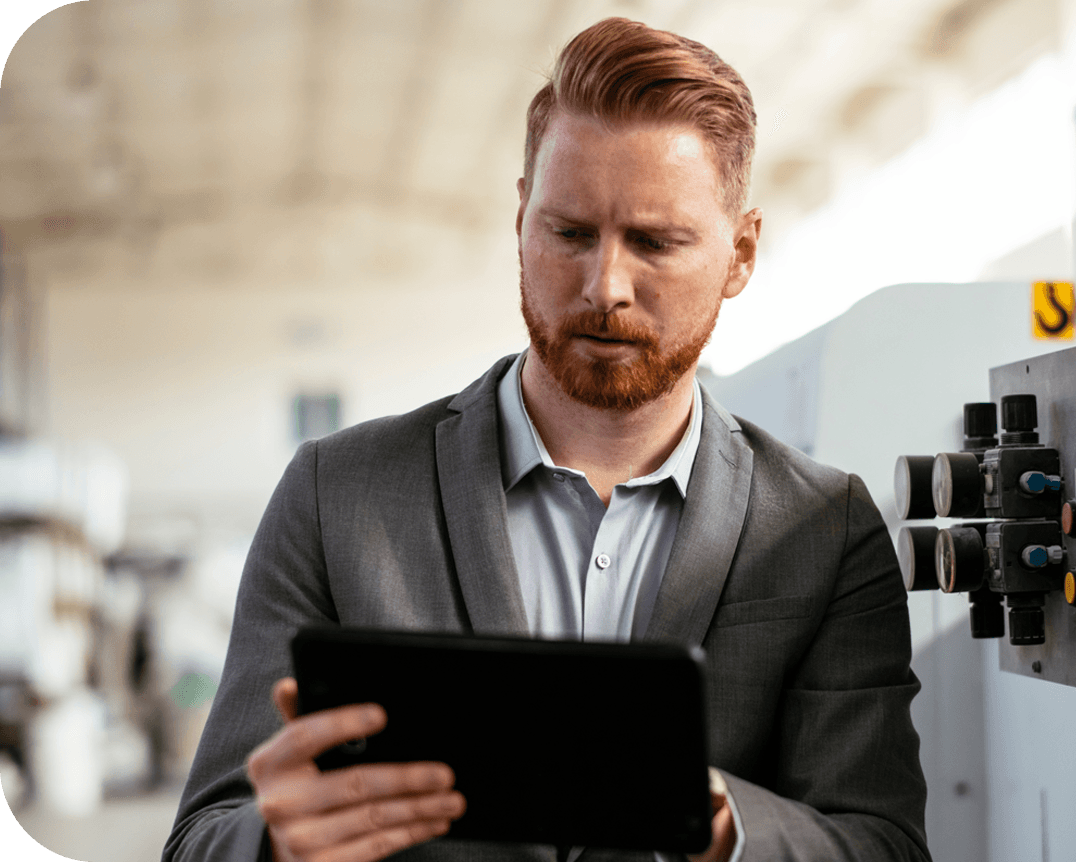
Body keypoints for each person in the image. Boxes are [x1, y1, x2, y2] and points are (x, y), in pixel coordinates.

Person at [163, 17, 928, 862]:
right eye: (569, 233)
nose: (605, 286)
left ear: (740, 252)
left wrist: (718, 821)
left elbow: (881, 844)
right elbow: (200, 837)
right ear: (521, 216)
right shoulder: (334, 494)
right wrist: (274, 843)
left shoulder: (828, 529)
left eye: (654, 241)